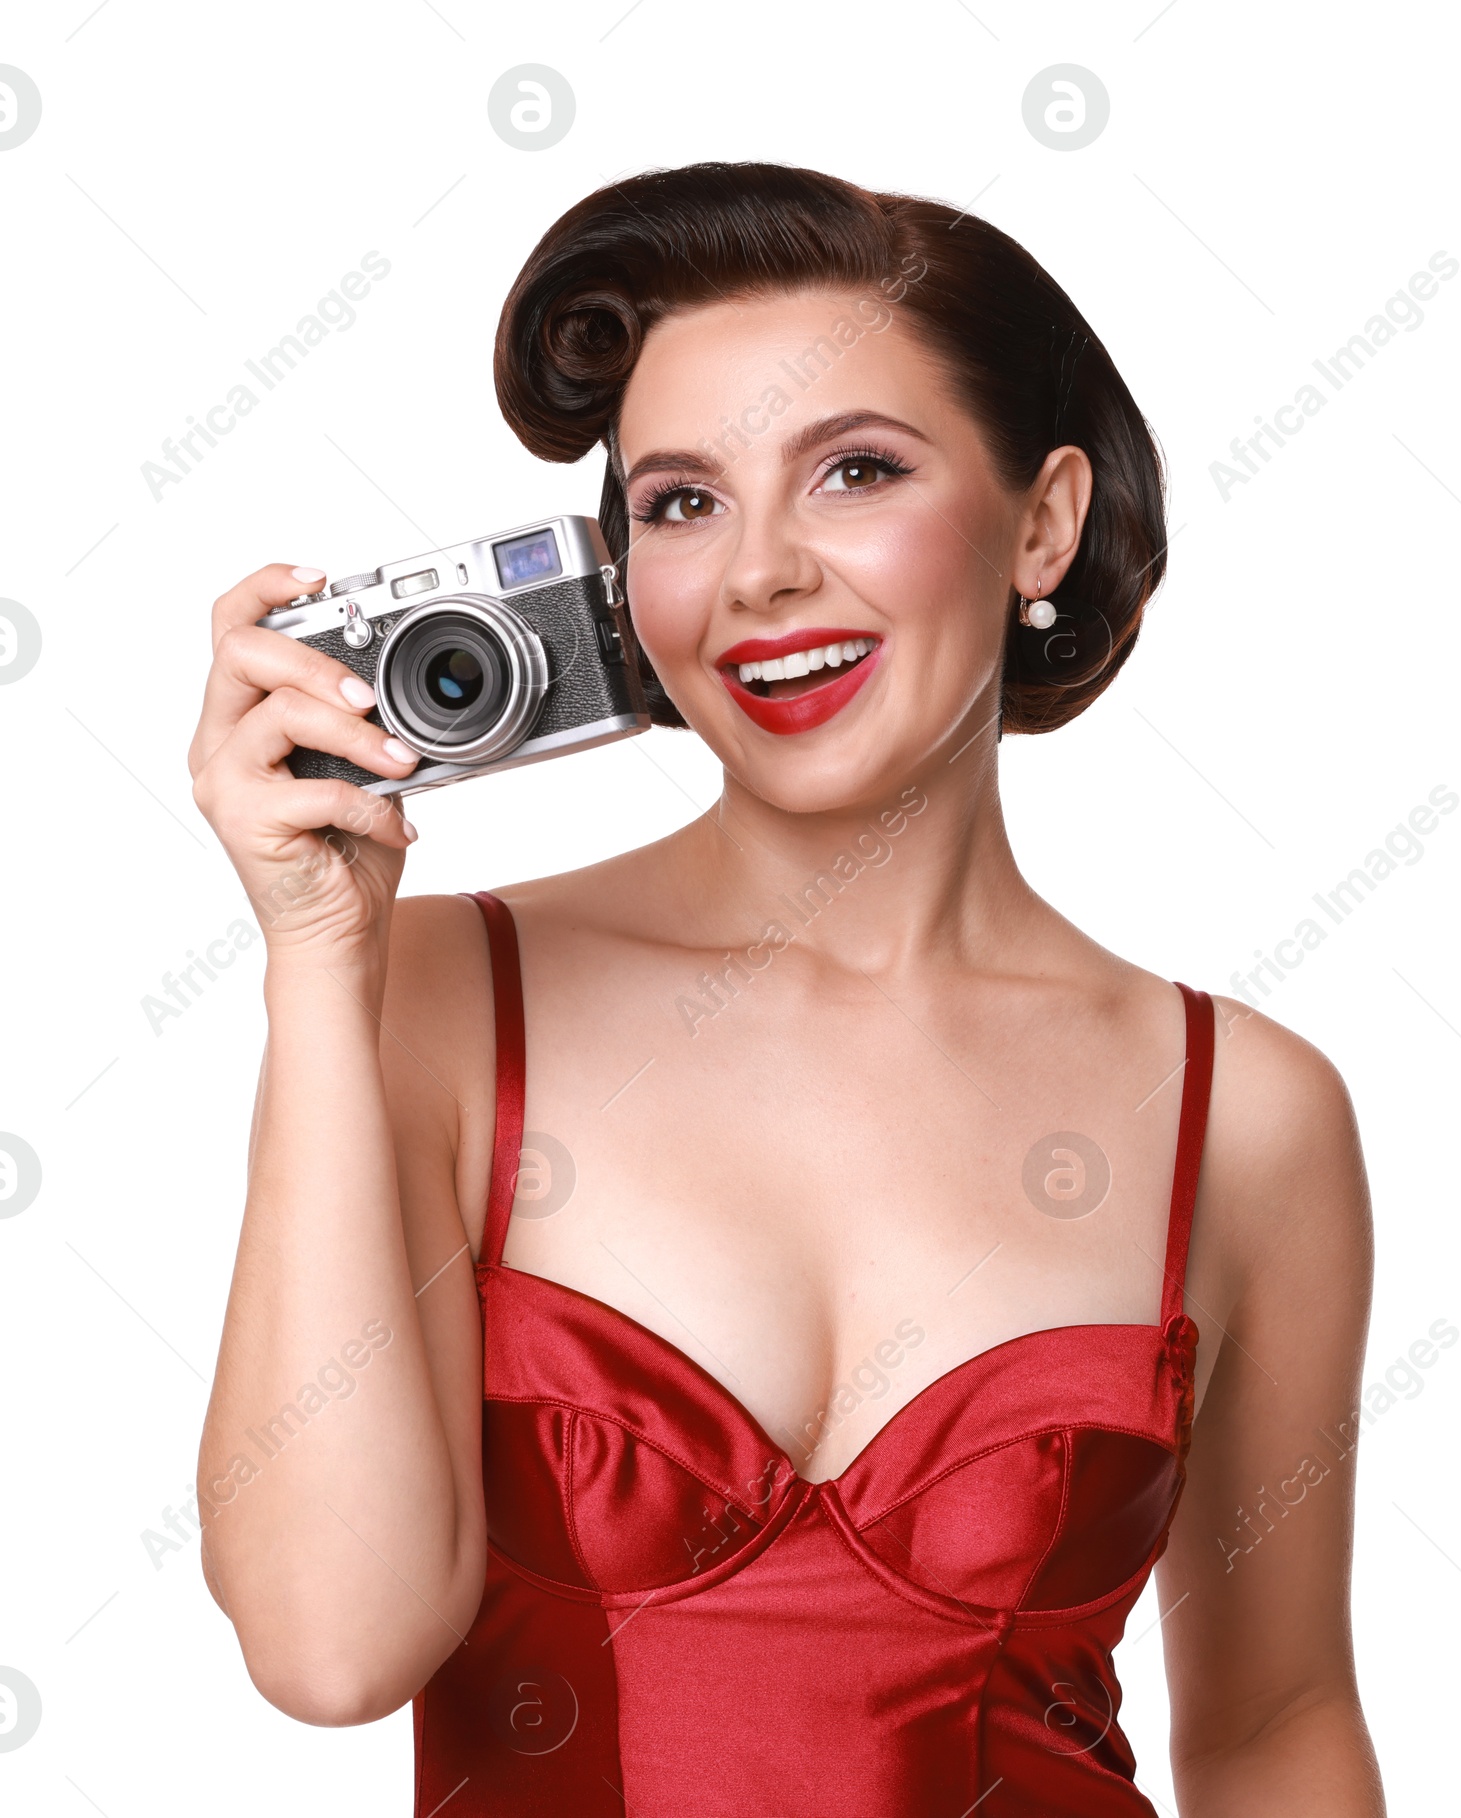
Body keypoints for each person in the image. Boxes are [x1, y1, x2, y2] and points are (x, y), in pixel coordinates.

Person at [190, 162, 1385, 1815]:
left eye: (855, 472)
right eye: (681, 502)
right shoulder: (442, 1002)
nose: (756, 572)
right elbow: (335, 1649)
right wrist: (320, 963)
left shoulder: (1243, 1108)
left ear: (1043, 520)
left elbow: (1275, 1728)